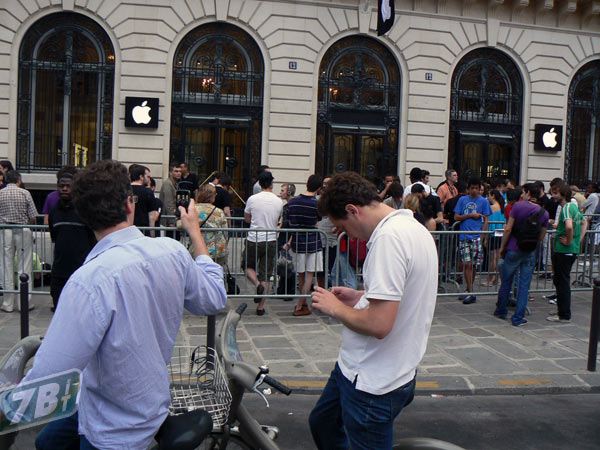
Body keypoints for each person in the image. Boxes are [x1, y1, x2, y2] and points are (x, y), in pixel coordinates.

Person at [23, 159, 227, 449]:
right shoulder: (170, 251)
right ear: (130, 204)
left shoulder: (88, 281)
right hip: (139, 402)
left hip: (112, 427)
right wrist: (195, 232)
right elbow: (214, 297)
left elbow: (47, 377)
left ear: (84, 216)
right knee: (48, 441)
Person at [309, 172, 438, 450]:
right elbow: (405, 293)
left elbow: (379, 324)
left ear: (352, 210)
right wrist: (361, 297)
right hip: (375, 369)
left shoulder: (388, 240)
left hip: (371, 379)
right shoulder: (412, 227)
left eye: (343, 226)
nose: (346, 234)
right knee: (323, 422)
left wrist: (335, 308)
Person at [494, 183, 549, 326]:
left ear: (528, 193)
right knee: (524, 285)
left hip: (513, 247)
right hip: (529, 251)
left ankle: (501, 310)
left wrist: (502, 248)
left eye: (523, 192)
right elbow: (541, 236)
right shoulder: (544, 213)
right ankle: (518, 317)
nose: (522, 195)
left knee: (506, 281)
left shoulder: (518, 206)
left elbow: (508, 229)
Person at [48, 171, 96, 312]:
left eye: (68, 186)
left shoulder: (85, 211)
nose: (64, 189)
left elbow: (93, 238)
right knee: (59, 310)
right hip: (59, 270)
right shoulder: (54, 212)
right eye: (61, 186)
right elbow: (54, 236)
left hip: (80, 270)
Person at [546, 183, 587, 323]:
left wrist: (569, 241)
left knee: (562, 282)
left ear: (563, 194)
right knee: (560, 281)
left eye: (555, 193)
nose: (553, 196)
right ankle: (561, 309)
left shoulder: (567, 208)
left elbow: (569, 226)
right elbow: (584, 222)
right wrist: (578, 240)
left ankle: (563, 314)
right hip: (568, 250)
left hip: (564, 251)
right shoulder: (573, 207)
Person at [244, 171, 283, 315]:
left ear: (259, 184)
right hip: (271, 239)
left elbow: (247, 219)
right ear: (271, 183)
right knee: (266, 274)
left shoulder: (252, 199)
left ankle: (257, 284)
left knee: (247, 266)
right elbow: (277, 220)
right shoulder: (278, 201)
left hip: (254, 238)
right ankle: (260, 308)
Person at [284, 174, 323, 316]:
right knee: (310, 275)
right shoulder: (316, 203)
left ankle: (303, 303)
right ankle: (300, 304)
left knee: (301, 274)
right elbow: (318, 218)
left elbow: (288, 220)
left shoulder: (293, 202)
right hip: (313, 241)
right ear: (318, 188)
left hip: (297, 241)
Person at [0, 170, 38, 313]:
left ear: (5, 180)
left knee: (6, 265)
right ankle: (24, 303)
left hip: (5, 230)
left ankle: (7, 303)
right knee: (25, 265)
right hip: (22, 229)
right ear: (19, 180)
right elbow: (33, 216)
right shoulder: (25, 193)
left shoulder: (0, 193)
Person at [454, 177, 491, 304]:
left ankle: (469, 289)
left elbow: (486, 220)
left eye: (477, 188)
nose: (474, 190)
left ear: (480, 189)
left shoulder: (484, 201)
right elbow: (456, 216)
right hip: (464, 236)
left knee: (473, 265)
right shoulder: (462, 200)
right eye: (472, 188)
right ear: (468, 189)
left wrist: (483, 236)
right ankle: (470, 290)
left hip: (476, 237)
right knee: (467, 263)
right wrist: (470, 215)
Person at [192, 184, 228, 266]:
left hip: (198, 248)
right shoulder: (218, 211)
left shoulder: (193, 209)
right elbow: (225, 231)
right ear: (212, 196)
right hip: (217, 249)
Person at [485, 189, 506, 286]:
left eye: (489, 195)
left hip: (493, 233)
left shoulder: (491, 207)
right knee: (497, 257)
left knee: (492, 258)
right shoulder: (501, 207)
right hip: (500, 233)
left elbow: (488, 223)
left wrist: (485, 237)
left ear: (493, 196)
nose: (488, 197)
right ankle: (496, 278)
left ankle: (490, 279)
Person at [129, 163, 159, 229]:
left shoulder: (123, 190)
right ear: (141, 177)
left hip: (127, 230)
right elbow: (152, 216)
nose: (149, 179)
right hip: (143, 230)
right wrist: (152, 233)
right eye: (147, 177)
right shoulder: (148, 192)